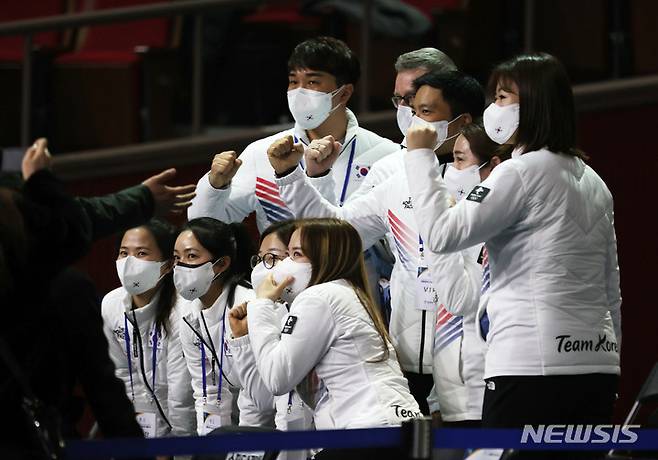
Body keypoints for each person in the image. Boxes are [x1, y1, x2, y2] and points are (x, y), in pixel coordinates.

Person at [404, 53, 621, 453]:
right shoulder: (594, 181)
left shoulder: (519, 171)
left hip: (530, 364)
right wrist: (613, 358)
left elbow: (441, 234)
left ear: (534, 104)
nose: (494, 108)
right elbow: (611, 289)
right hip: (598, 364)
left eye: (503, 97)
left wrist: (419, 156)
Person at [264, 70, 485, 418]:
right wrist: (295, 176)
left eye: (426, 112)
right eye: (413, 109)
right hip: (404, 359)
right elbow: (337, 232)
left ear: (463, 121)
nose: (414, 120)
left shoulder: (492, 186)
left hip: (471, 360)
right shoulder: (397, 179)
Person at [187, 36, 400, 231]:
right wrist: (215, 186)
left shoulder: (386, 155)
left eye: (312, 82)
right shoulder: (260, 153)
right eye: (293, 82)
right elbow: (207, 229)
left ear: (344, 93)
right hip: (279, 262)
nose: (299, 91)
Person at [229, 218, 421, 431]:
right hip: (383, 423)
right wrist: (245, 338)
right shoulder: (341, 293)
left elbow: (277, 379)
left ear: (325, 259)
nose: (285, 265)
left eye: (296, 255)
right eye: (288, 254)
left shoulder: (320, 297)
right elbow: (266, 396)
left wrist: (262, 303)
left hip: (371, 425)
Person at [102, 220, 196, 438]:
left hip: (192, 430)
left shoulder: (183, 309)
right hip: (148, 430)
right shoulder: (111, 304)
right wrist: (149, 442)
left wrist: (179, 448)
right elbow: (124, 375)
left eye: (141, 253)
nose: (129, 262)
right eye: (124, 253)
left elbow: (181, 395)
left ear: (168, 264)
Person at [230, 221, 315, 460]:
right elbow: (263, 399)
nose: (262, 269)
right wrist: (243, 338)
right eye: (260, 259)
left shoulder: (319, 310)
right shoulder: (271, 314)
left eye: (273, 258)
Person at [174, 218, 256, 435]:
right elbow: (207, 391)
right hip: (242, 414)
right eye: (177, 257)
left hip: (277, 420)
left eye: (191, 256)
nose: (181, 266)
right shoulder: (188, 314)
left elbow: (260, 391)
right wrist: (210, 445)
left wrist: (246, 446)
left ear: (221, 264)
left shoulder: (249, 305)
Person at [393, 47, 457, 141]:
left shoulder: (475, 148)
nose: (402, 106)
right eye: (398, 98)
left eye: (412, 96)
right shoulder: (389, 150)